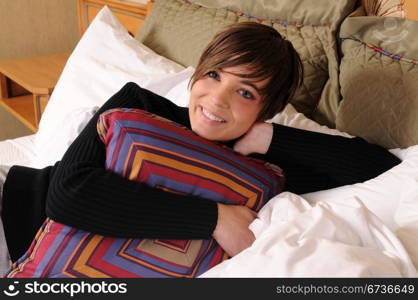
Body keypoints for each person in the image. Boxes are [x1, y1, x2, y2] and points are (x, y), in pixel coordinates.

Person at [1, 22, 400, 263]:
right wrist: (214, 218)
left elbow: (378, 167)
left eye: (245, 93)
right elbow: (68, 196)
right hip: (12, 207)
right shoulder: (137, 105)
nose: (216, 100)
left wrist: (269, 135)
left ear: (267, 108)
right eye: (213, 76)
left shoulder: (256, 168)